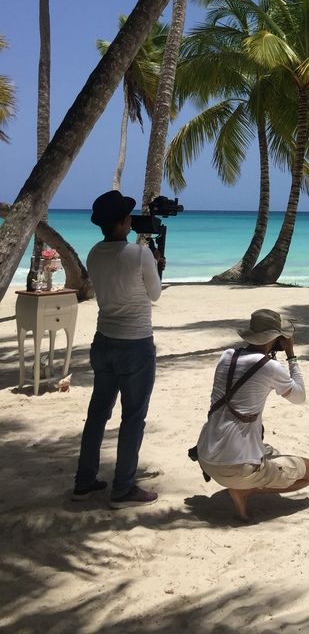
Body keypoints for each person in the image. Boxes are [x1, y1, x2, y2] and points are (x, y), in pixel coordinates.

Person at [72, 190, 163, 509]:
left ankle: (84, 481)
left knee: (97, 415)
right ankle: (123, 489)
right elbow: (155, 294)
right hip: (135, 343)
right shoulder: (140, 254)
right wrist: (155, 262)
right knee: (133, 417)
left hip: (104, 341)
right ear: (124, 222)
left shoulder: (94, 253)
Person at [195, 309, 309, 522]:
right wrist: (291, 355)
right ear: (275, 338)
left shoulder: (227, 356)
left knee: (271, 451)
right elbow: (300, 397)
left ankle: (244, 483)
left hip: (205, 455)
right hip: (236, 469)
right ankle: (245, 491)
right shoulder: (270, 367)